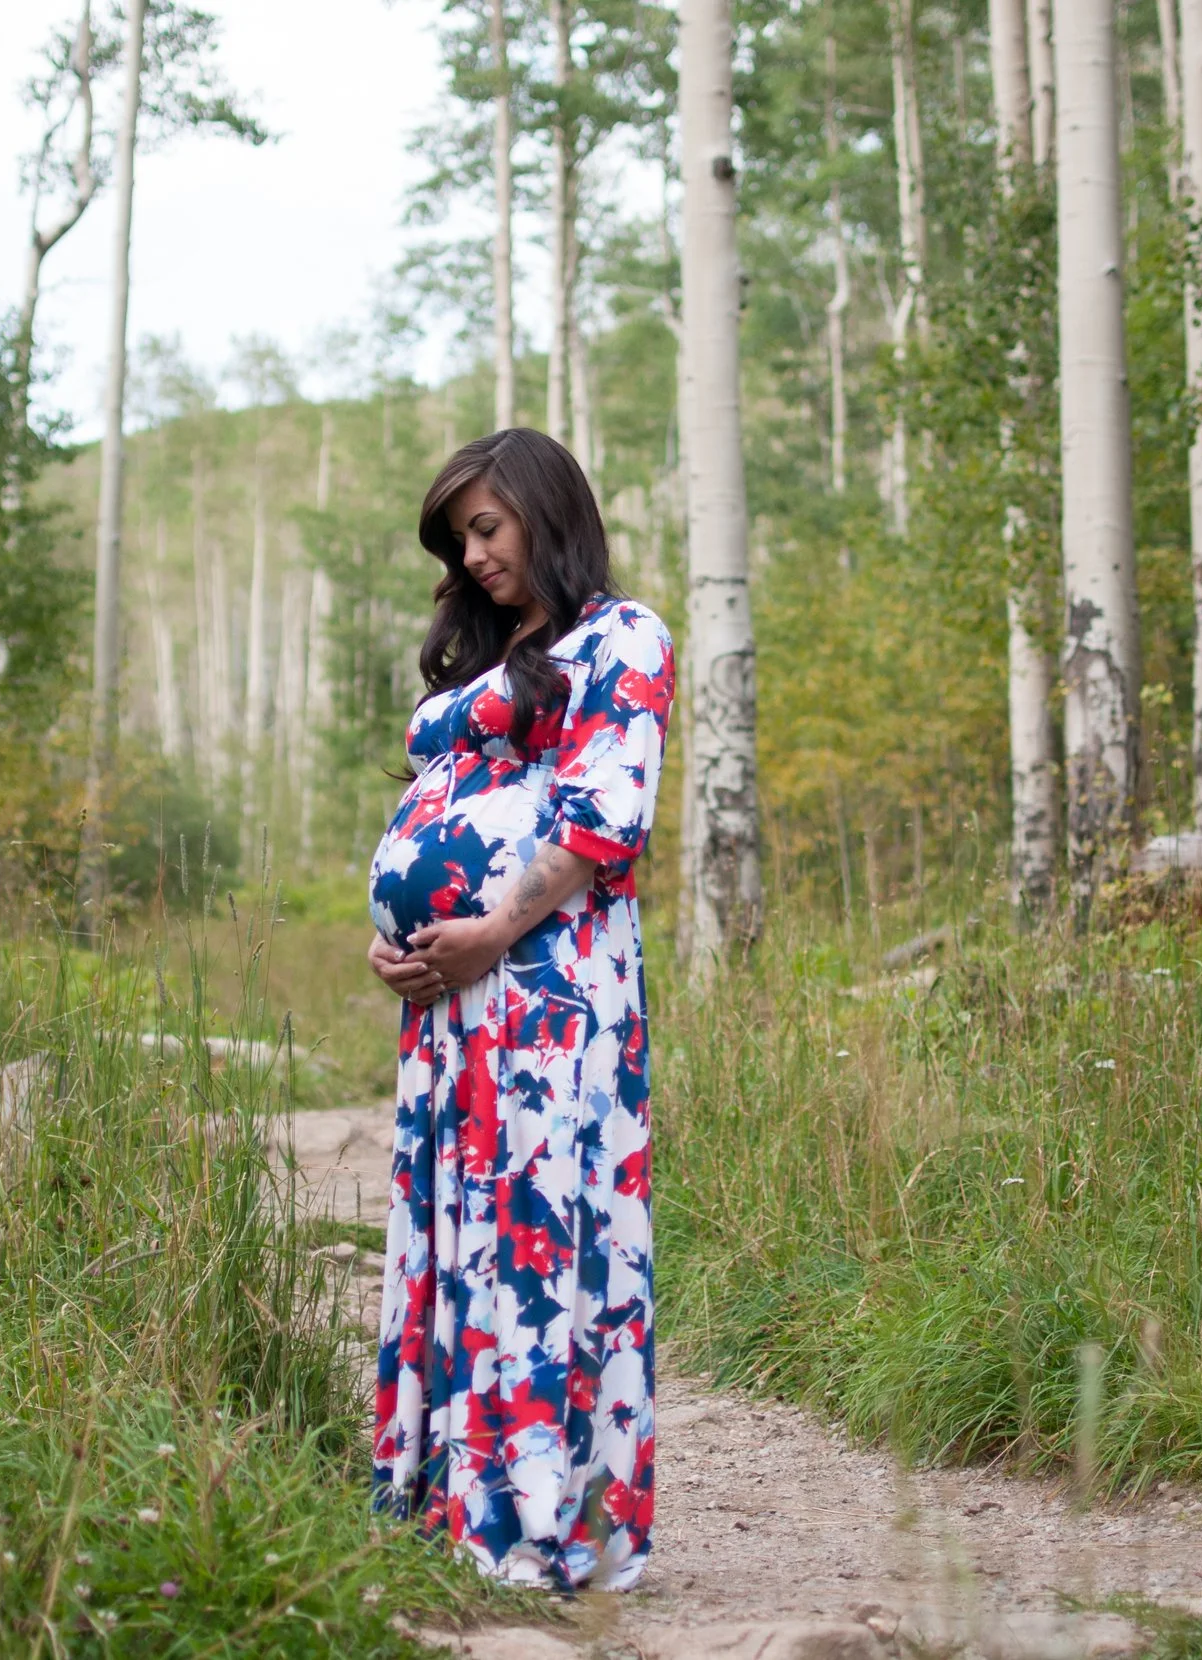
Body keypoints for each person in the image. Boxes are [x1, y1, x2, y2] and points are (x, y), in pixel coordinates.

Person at [364, 427, 674, 1591]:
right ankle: (446, 1504)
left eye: (486, 527)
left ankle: (545, 1522)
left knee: (538, 1234)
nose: (474, 555)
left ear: (547, 510)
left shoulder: (621, 639)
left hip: (549, 990)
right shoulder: (493, 664)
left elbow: (604, 817)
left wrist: (491, 929)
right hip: (451, 1003)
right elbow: (437, 812)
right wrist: (395, 935)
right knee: (455, 1232)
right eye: (460, 540)